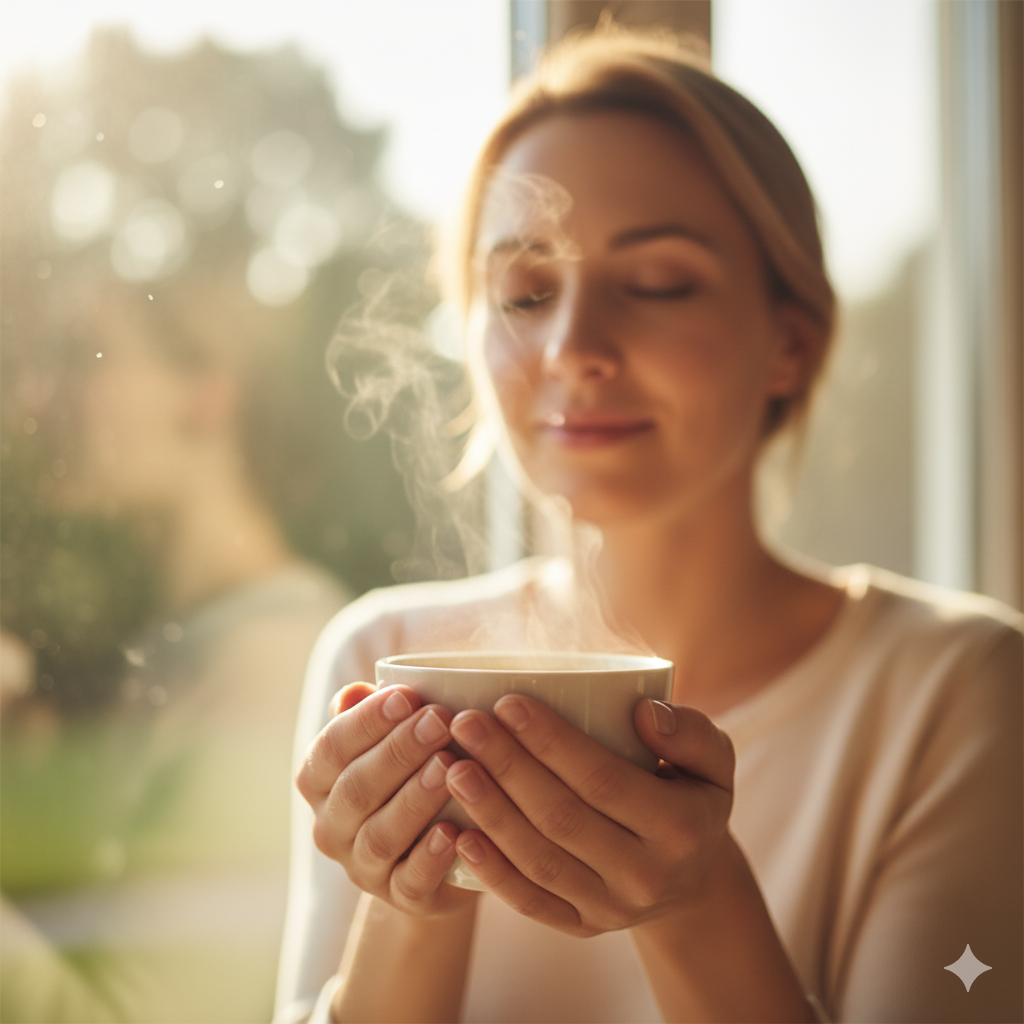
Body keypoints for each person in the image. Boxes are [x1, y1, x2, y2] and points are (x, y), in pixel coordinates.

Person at [275, 28, 1023, 1024]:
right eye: (524, 291)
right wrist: (418, 882)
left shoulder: (957, 690)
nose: (573, 346)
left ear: (788, 344)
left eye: (661, 282)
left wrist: (697, 904)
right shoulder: (383, 659)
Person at [0, 29, 427, 1022]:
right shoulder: (176, 651)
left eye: (87, 359)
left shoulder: (278, 667)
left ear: (205, 395)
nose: (39, 394)